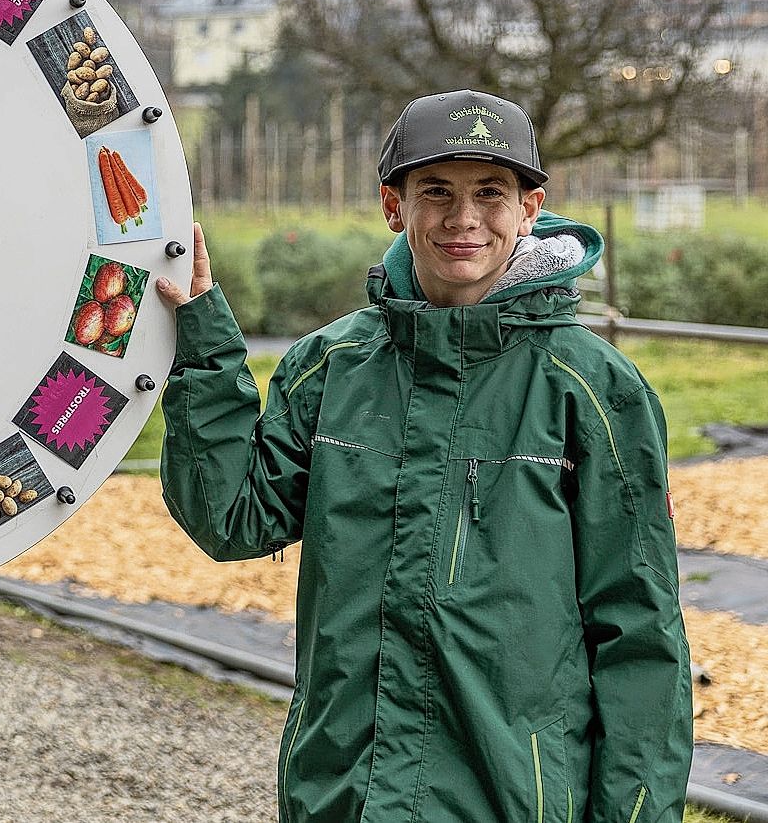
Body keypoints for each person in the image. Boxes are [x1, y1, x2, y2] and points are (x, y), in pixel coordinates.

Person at [154, 89, 693, 823]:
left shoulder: (591, 389)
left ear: (530, 208)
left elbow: (640, 632)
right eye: (435, 190)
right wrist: (205, 347)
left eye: (490, 192)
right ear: (393, 205)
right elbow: (232, 519)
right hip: (343, 792)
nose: (463, 217)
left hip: (515, 800)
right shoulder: (331, 367)